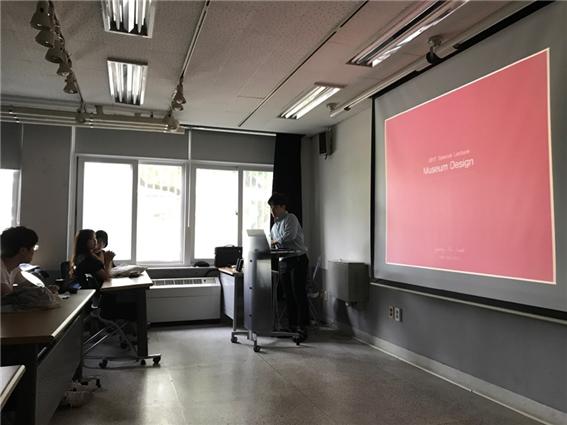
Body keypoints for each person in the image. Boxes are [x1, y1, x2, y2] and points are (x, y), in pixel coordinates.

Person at [268, 193, 309, 340]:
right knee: (288, 295)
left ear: (283, 207)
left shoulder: (291, 218)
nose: (272, 211)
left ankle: (302, 328)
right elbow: (275, 243)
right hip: (284, 261)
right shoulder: (274, 226)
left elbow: (289, 236)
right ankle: (292, 327)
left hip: (297, 260)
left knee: (298, 294)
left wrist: (274, 242)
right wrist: (271, 245)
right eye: (271, 208)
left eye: (275, 208)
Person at [1, 226, 39, 296]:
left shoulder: (14, 267)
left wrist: (46, 290)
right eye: (33, 248)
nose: (34, 251)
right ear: (23, 251)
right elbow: (9, 298)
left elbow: (26, 285)